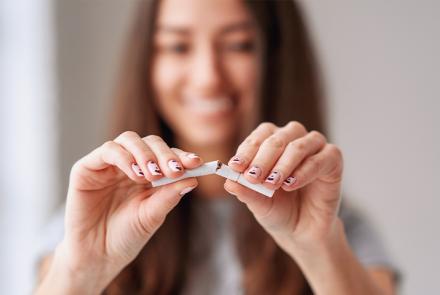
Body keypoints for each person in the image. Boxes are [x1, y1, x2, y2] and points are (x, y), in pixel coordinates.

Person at [35, 0, 399, 294]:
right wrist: (83, 273)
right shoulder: (91, 219)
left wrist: (318, 249)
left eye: (239, 45)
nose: (208, 77)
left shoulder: (336, 227)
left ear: (275, 58)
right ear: (147, 62)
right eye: (178, 46)